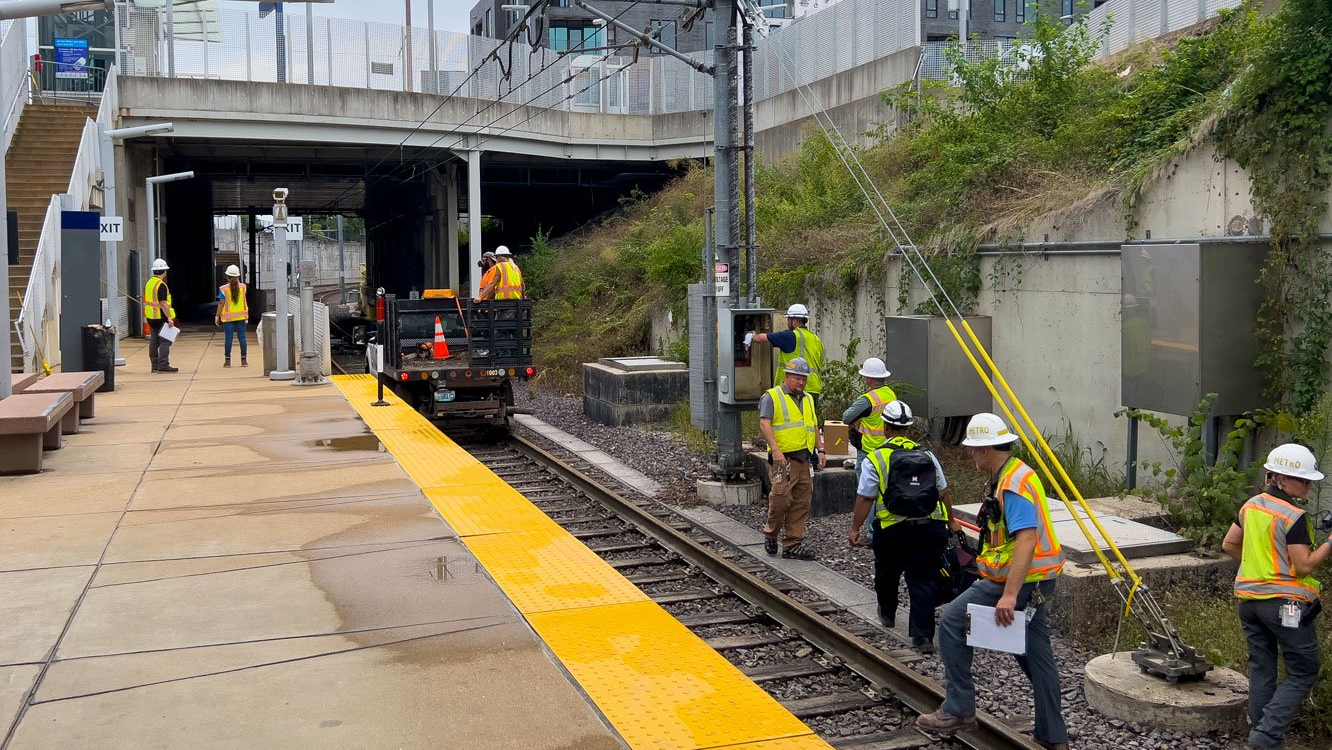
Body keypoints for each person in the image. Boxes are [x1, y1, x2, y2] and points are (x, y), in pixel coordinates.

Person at [918, 413, 1067, 750]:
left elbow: (1026, 539)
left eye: (973, 450)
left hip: (1019, 582)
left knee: (954, 622)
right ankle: (1053, 737)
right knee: (1035, 656)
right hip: (1041, 580)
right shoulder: (1016, 474)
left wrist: (1009, 595)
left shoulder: (1011, 484)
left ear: (985, 450)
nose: (971, 456)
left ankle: (958, 708)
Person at [1221, 444, 1331, 750]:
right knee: (1304, 669)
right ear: (1282, 478)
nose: (1309, 485)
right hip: (1286, 606)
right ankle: (1266, 736)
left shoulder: (1251, 506)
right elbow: (1304, 565)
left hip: (1250, 604)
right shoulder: (1293, 515)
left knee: (1262, 668)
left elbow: (1229, 544)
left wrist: (1261, 568)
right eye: (1305, 480)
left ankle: (1262, 735)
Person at [849, 401, 959, 651]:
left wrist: (855, 528)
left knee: (887, 573)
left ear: (886, 427)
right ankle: (922, 638)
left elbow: (865, 497)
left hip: (893, 530)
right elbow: (942, 491)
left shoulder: (876, 458)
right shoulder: (927, 455)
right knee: (922, 579)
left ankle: (887, 613)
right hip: (930, 528)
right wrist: (951, 520)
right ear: (908, 427)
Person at [757, 357, 826, 560]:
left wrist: (820, 449)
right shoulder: (772, 397)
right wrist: (776, 451)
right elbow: (764, 424)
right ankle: (771, 534)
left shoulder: (808, 399)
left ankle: (792, 544)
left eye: (804, 379)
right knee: (780, 499)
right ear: (787, 376)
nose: (801, 383)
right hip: (783, 461)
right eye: (797, 378)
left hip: (805, 459)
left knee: (801, 502)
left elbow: (813, 426)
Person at [751, 304, 825, 407]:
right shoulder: (817, 340)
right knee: (808, 421)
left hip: (793, 389)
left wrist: (751, 336)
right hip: (813, 391)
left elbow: (760, 338)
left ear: (794, 321)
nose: (787, 323)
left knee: (790, 421)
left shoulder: (791, 336)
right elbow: (821, 363)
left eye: (788, 320)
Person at [842, 357, 897, 472]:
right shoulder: (891, 394)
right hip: (887, 446)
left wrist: (857, 418)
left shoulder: (867, 400)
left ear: (870, 379)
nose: (863, 378)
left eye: (864, 376)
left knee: (864, 483)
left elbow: (846, 418)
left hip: (868, 448)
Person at [143, 258, 178, 373]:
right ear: (164, 271)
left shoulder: (149, 283)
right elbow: (163, 303)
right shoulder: (161, 285)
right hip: (161, 317)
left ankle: (155, 366)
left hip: (151, 317)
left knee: (154, 341)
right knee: (165, 341)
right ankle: (163, 365)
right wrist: (169, 318)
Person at [214, 265, 249, 367]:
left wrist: (217, 315)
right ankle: (244, 361)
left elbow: (221, 303)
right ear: (238, 277)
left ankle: (227, 361)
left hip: (228, 318)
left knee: (228, 338)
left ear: (227, 277)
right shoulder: (243, 287)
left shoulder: (223, 289)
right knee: (242, 338)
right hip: (241, 317)